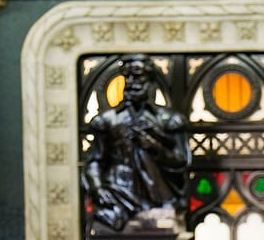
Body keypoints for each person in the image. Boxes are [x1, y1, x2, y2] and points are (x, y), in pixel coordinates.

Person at [82, 54, 191, 230]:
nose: (132, 82)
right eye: (127, 77)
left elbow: (182, 160)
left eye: (138, 76)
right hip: (118, 188)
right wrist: (98, 187)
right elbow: (95, 160)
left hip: (157, 192)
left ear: (151, 81)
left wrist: (154, 146)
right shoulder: (108, 121)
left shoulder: (168, 120)